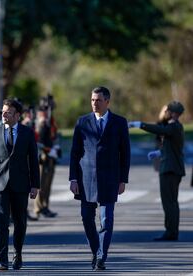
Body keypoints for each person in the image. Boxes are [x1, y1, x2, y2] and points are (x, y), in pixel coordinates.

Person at [69, 87, 130, 271]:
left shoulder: (119, 122)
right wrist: (73, 179)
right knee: (87, 218)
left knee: (106, 220)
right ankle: (96, 251)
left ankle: (102, 255)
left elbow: (125, 153)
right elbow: (75, 152)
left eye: (99, 100)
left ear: (107, 102)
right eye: (93, 100)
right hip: (85, 178)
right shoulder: (83, 122)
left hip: (110, 178)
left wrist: (123, 179)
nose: (95, 103)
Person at [0, 99, 40, 270]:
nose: (4, 114)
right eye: (3, 111)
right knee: (0, 223)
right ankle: (3, 259)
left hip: (21, 184)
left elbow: (33, 160)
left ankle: (18, 253)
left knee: (20, 222)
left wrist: (35, 185)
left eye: (8, 112)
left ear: (17, 115)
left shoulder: (27, 133)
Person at [128, 101, 185, 241]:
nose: (166, 113)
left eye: (168, 111)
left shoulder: (173, 126)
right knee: (172, 202)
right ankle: (172, 231)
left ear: (173, 113)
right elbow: (172, 148)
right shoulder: (177, 127)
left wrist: (140, 125)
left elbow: (160, 130)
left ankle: (171, 232)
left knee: (169, 202)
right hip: (173, 168)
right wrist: (159, 153)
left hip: (169, 169)